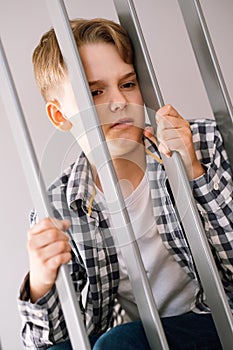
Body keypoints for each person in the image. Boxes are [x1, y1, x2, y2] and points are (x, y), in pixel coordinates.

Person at [17, 18, 233, 350]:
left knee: (121, 341)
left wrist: (193, 169)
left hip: (217, 320)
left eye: (128, 84)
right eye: (96, 91)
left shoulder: (200, 141)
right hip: (145, 338)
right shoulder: (61, 204)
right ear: (60, 117)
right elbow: (51, 342)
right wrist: (41, 284)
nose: (119, 101)